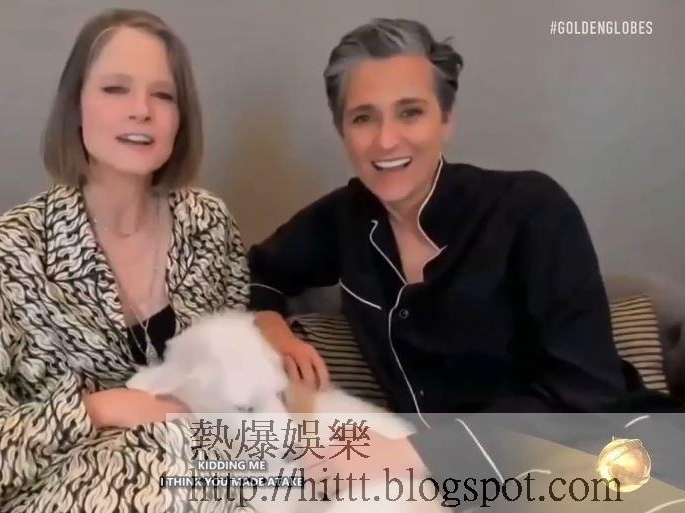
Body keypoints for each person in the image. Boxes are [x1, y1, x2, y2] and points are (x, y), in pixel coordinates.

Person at [247, 17, 683, 503]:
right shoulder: (345, 219)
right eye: (363, 118)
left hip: (611, 457)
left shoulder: (532, 208)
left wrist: (415, 453)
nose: (386, 140)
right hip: (465, 489)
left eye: (410, 112)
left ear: (446, 118)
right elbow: (253, 273)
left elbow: (585, 393)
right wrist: (275, 331)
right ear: (342, 130)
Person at [0, 9, 247, 513]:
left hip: (214, 470)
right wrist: (98, 409)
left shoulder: (208, 224)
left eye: (163, 95)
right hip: (79, 488)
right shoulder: (3, 257)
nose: (141, 110)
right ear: (76, 106)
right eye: (115, 89)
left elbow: (238, 368)